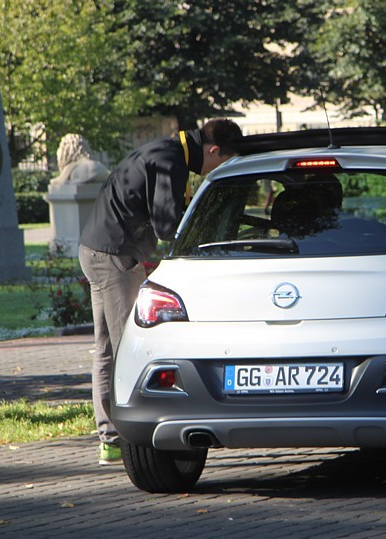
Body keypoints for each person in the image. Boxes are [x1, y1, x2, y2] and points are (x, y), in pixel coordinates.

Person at [79, 119, 243, 465]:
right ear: (213, 150)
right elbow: (169, 225)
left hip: (98, 249)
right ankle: (125, 441)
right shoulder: (172, 160)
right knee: (128, 348)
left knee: (108, 347)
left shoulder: (166, 148)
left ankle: (109, 437)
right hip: (115, 255)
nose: (214, 170)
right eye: (222, 162)